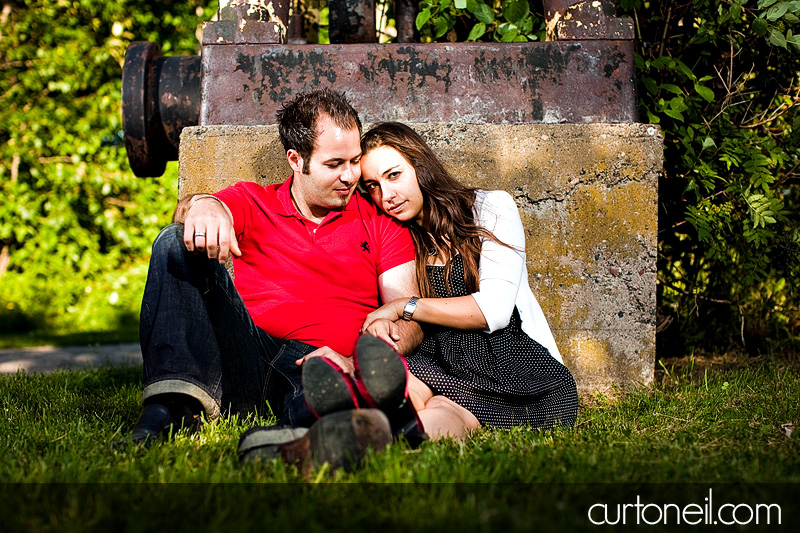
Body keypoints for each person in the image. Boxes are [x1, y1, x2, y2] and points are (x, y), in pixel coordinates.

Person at [121, 90, 423, 453]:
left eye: (355, 161)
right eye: (334, 165)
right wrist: (204, 205)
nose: (350, 176)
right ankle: (172, 408)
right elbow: (206, 213)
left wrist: (355, 360)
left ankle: (314, 434)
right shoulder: (255, 201)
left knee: (321, 389)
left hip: (322, 365)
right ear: (297, 160)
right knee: (172, 242)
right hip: (247, 357)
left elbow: (407, 319)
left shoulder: (380, 221)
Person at [359, 122, 578, 440]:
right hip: (442, 361)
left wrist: (403, 306)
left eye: (394, 175)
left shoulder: (490, 208)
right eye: (373, 186)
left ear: (420, 164)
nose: (386, 195)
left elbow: (494, 311)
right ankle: (362, 435)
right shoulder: (398, 236)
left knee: (449, 405)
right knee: (407, 389)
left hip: (513, 366)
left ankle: (391, 433)